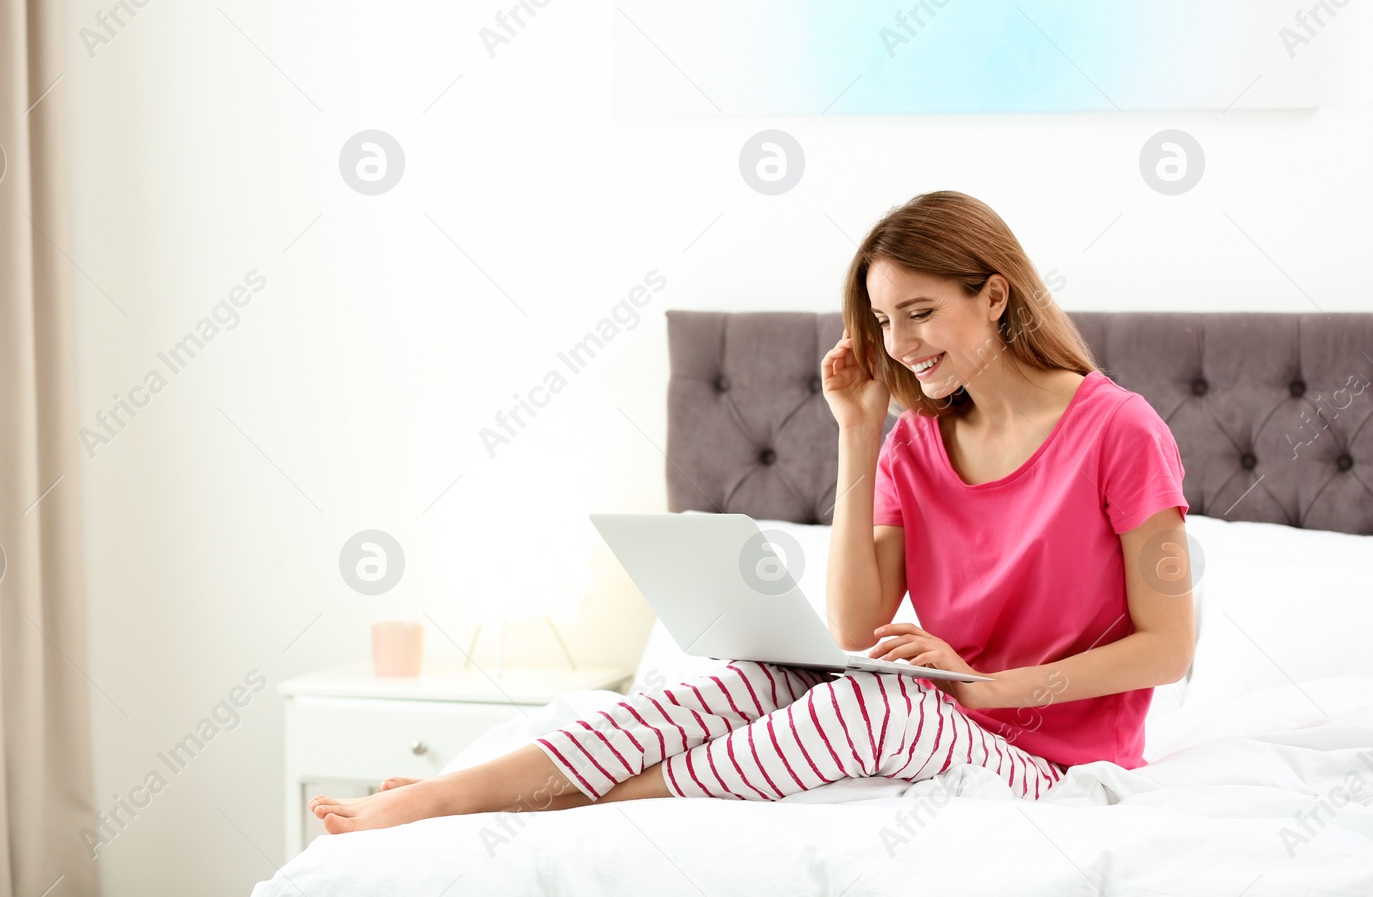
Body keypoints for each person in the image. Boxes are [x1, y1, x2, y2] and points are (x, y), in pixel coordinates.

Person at [309, 190, 1195, 832]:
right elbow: (856, 621)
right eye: (884, 321)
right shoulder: (913, 443)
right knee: (735, 683)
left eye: (921, 313)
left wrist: (986, 687)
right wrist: (858, 431)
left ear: (994, 297)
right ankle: (447, 795)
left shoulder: (1119, 429)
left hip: (1054, 764)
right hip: (947, 708)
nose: (900, 345)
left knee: (870, 711)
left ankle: (578, 806)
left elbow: (1170, 646)